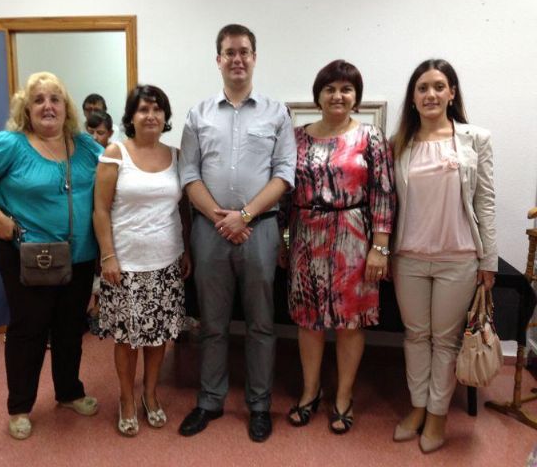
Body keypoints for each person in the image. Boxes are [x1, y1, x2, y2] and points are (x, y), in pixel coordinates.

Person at [0, 72, 102, 440]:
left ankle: (69, 392)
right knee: (29, 330)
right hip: (27, 254)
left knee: (70, 328)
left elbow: (115, 179)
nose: (47, 106)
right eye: (38, 100)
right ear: (26, 108)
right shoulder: (10, 145)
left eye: (55, 99)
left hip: (80, 256)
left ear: (66, 108)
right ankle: (20, 407)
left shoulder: (85, 146)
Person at [178, 24, 297, 443]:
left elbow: (284, 174)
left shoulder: (276, 113)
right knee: (212, 323)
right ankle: (210, 400)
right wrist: (221, 219)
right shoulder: (198, 114)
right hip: (210, 232)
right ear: (218, 59)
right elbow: (189, 173)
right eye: (229, 52)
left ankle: (259, 405)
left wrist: (244, 216)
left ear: (254, 57)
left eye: (244, 51)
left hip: (260, 231)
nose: (237, 59)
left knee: (262, 324)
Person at [282, 60, 395, 434]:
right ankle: (310, 391)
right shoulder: (295, 138)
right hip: (305, 237)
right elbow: (284, 193)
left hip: (354, 239)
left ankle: (344, 396)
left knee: (350, 322)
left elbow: (383, 193)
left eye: (346, 89)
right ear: (318, 96)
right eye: (330, 89)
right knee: (308, 321)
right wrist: (283, 238)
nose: (338, 95)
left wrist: (380, 247)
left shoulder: (370, 137)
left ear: (356, 97)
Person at [390, 59, 497, 453]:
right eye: (422, 88)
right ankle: (418, 407)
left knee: (446, 340)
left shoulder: (475, 139)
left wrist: (489, 261)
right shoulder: (399, 143)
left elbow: (485, 202)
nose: (430, 94)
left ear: (452, 93)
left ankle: (437, 415)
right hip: (409, 257)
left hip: (459, 257)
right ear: (412, 98)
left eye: (439, 86)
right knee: (416, 336)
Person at [93, 84, 191, 437]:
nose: (151, 116)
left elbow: (183, 209)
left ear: (165, 117)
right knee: (127, 338)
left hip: (166, 261)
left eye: (157, 109)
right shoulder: (115, 154)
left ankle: (150, 394)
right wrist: (108, 256)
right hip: (124, 265)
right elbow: (100, 210)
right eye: (143, 109)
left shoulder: (177, 156)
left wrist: (187, 250)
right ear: (131, 117)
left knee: (158, 335)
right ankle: (126, 397)